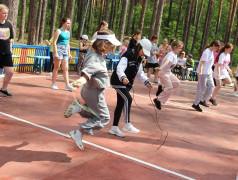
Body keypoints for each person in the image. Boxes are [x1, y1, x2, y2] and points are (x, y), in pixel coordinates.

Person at [64, 29, 121, 150]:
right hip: (93, 92)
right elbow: (88, 71)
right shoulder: (95, 57)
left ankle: (78, 108)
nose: (112, 49)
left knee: (95, 114)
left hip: (90, 90)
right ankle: (78, 133)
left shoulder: (94, 53)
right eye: (110, 46)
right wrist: (82, 80)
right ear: (104, 44)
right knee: (104, 118)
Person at [109, 39, 152, 137]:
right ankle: (127, 124)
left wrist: (146, 81)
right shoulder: (128, 54)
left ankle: (114, 128)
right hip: (118, 81)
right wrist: (123, 77)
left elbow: (140, 73)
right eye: (143, 51)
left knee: (120, 103)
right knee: (128, 98)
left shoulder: (140, 58)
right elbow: (120, 68)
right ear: (139, 47)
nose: (143, 54)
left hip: (126, 84)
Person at [153, 40, 184, 110]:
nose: (180, 50)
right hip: (163, 72)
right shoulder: (171, 55)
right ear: (175, 47)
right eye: (180, 48)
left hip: (168, 72)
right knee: (170, 88)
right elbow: (167, 61)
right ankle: (158, 100)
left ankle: (162, 88)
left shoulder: (175, 55)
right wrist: (161, 67)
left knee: (177, 82)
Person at [192, 40, 221, 112]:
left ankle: (202, 100)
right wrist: (200, 72)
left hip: (208, 73)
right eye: (217, 48)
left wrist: (211, 71)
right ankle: (196, 104)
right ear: (213, 45)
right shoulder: (206, 52)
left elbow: (209, 64)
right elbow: (201, 63)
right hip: (203, 73)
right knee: (201, 89)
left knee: (211, 87)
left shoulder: (211, 52)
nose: (217, 50)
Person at [50, 17, 75, 91]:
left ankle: (67, 85)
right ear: (63, 23)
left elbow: (68, 44)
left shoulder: (68, 32)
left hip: (65, 50)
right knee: (57, 67)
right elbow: (54, 42)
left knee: (66, 68)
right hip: (59, 48)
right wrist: (56, 53)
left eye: (69, 23)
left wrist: (69, 53)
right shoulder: (58, 31)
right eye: (67, 23)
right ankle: (53, 83)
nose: (69, 25)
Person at [0, 4, 14, 97]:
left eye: (7, 13)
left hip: (6, 52)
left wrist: (10, 48)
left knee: (10, 72)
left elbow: (11, 38)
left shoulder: (8, 24)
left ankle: (3, 89)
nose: (6, 15)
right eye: (3, 13)